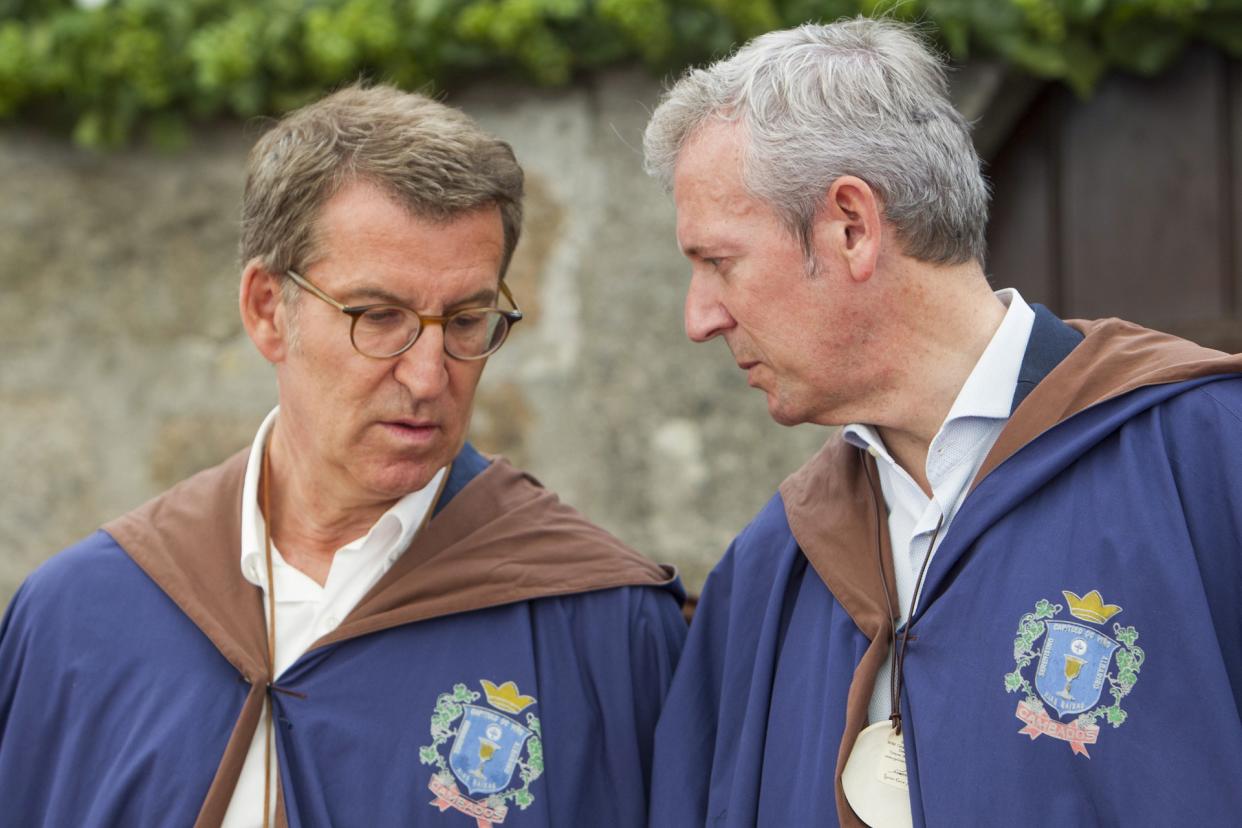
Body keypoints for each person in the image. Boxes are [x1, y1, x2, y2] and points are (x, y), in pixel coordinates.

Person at [0, 84, 686, 828]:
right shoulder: (78, 618)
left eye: (466, 320)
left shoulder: (605, 627)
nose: (429, 375)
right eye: (379, 316)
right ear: (268, 309)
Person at [642, 17, 1242, 828]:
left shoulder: (1206, 456)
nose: (698, 318)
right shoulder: (771, 568)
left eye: (719, 262)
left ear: (851, 226)